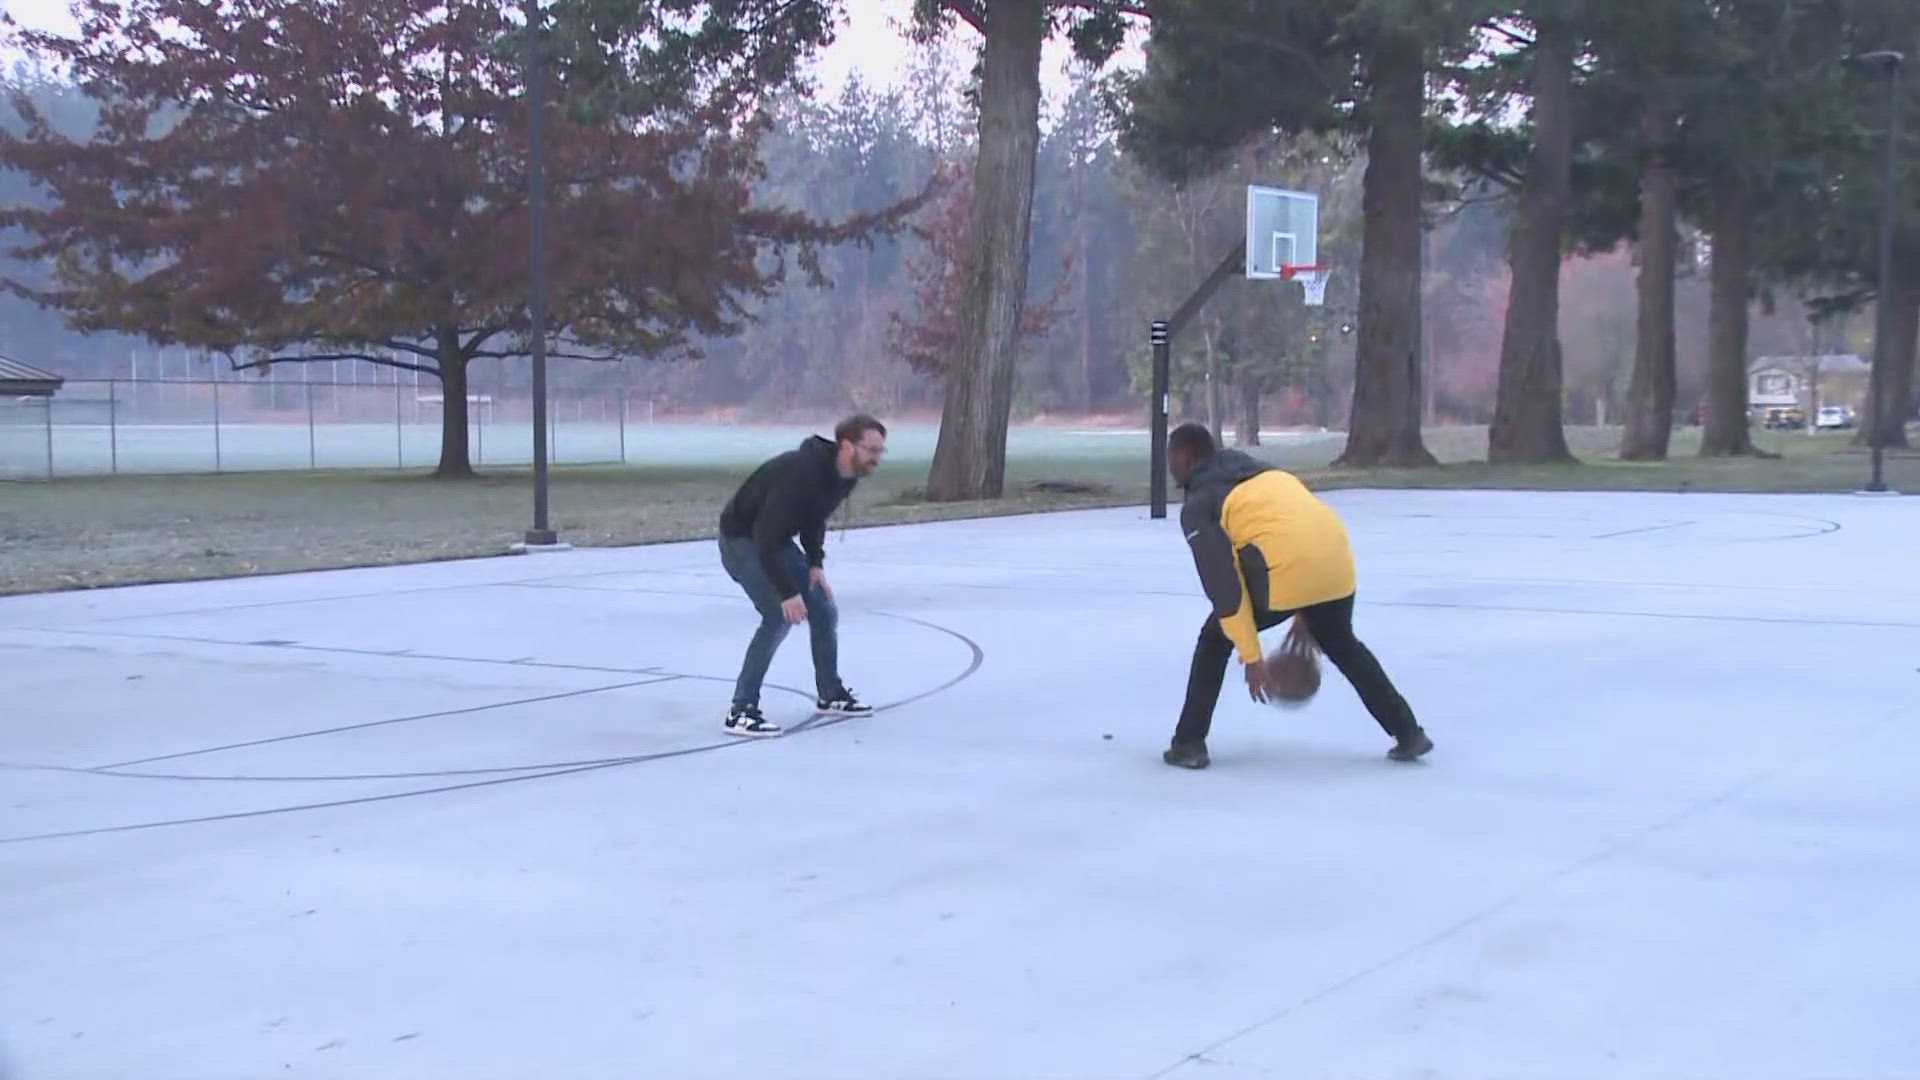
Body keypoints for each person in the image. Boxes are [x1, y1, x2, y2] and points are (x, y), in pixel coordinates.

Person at [1162, 422, 1432, 769]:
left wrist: (1251, 656)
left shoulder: (1200, 504)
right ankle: (1408, 733)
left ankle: (1189, 744)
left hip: (1289, 572)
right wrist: (1309, 608)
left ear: (1182, 458)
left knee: (1214, 640)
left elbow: (1223, 585)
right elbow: (1295, 531)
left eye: (1170, 457)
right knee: (1342, 643)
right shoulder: (1266, 472)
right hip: (1336, 565)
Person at [716, 415, 888, 737]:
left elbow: (814, 519)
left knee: (823, 610)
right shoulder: (802, 472)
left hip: (773, 542)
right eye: (871, 449)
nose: (876, 458)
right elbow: (764, 535)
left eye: (881, 451)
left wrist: (814, 564)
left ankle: (830, 694)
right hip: (742, 541)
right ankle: (740, 710)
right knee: (778, 617)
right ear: (847, 445)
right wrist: (787, 592)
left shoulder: (846, 474)